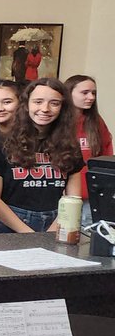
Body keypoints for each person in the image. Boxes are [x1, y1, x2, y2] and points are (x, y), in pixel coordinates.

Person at [0, 78, 83, 233]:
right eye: (38, 102)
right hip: (12, 225)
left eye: (54, 103)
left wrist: (53, 231)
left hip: (56, 222)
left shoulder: (71, 146)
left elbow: (74, 200)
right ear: (25, 105)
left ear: (63, 108)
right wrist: (27, 233)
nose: (45, 109)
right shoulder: (1, 144)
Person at [64, 74, 112, 227]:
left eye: (93, 93)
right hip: (64, 196)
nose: (91, 97)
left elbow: (106, 158)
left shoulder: (96, 122)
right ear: (68, 93)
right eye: (84, 93)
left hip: (91, 196)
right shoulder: (59, 123)